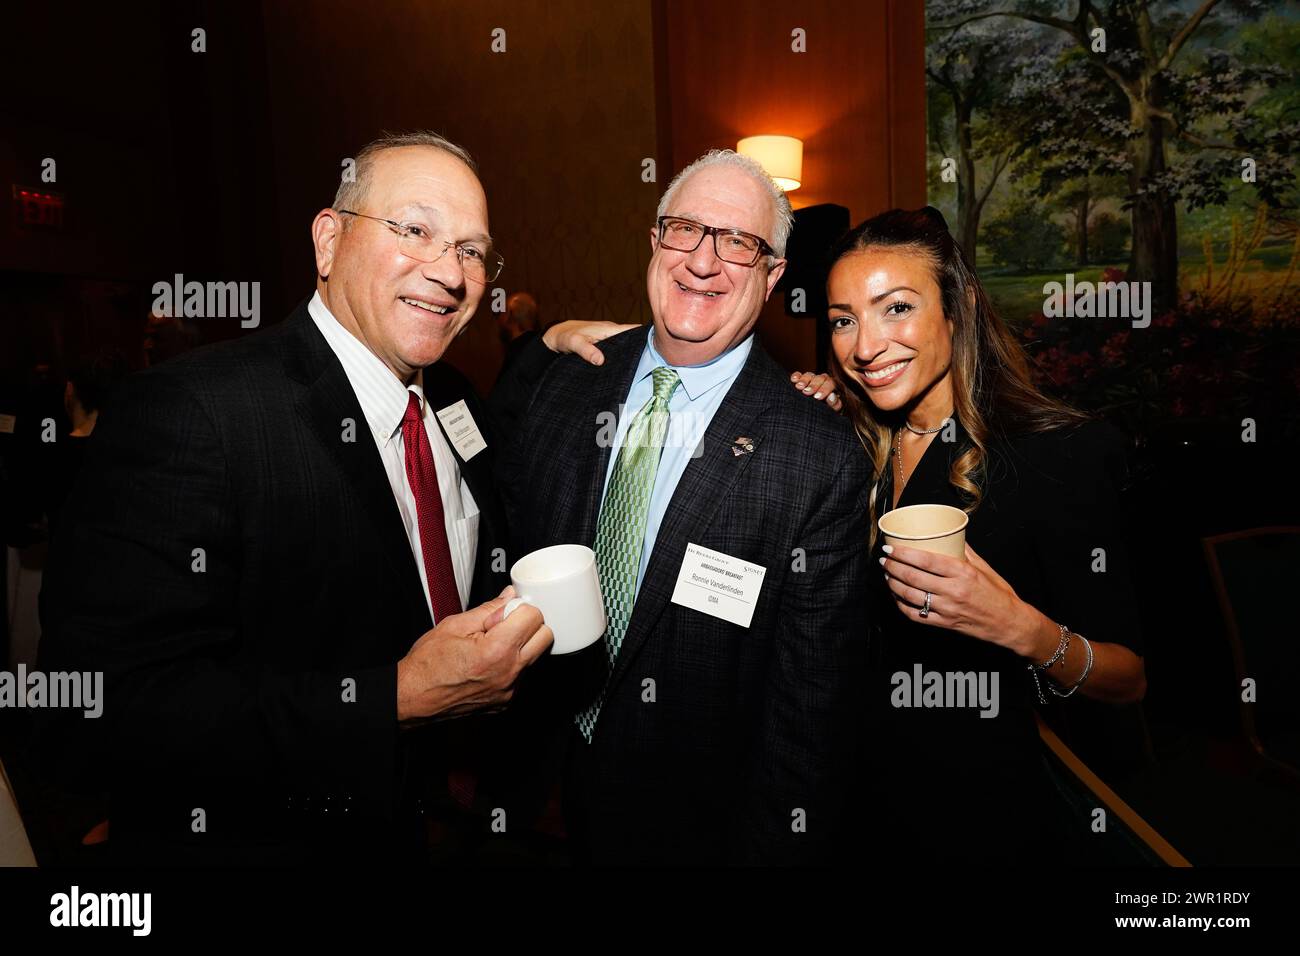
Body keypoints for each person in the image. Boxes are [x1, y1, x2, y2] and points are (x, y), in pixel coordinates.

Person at [35, 131, 553, 865]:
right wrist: (394, 699)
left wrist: (595, 357)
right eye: (415, 229)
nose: (450, 271)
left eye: (473, 250)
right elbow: (95, 713)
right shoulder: (195, 412)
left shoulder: (456, 401)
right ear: (329, 242)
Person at [491, 149, 872, 865]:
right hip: (531, 798)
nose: (703, 261)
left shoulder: (818, 458)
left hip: (696, 831)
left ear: (772, 278)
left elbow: (812, 720)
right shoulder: (566, 388)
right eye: (685, 229)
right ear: (654, 241)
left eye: (739, 242)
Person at [790, 206, 1146, 863]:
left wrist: (1023, 629)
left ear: (959, 311)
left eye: (895, 308)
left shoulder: (1057, 454)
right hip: (852, 793)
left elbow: (1128, 679)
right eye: (843, 319)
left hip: (979, 811)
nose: (864, 346)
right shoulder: (850, 441)